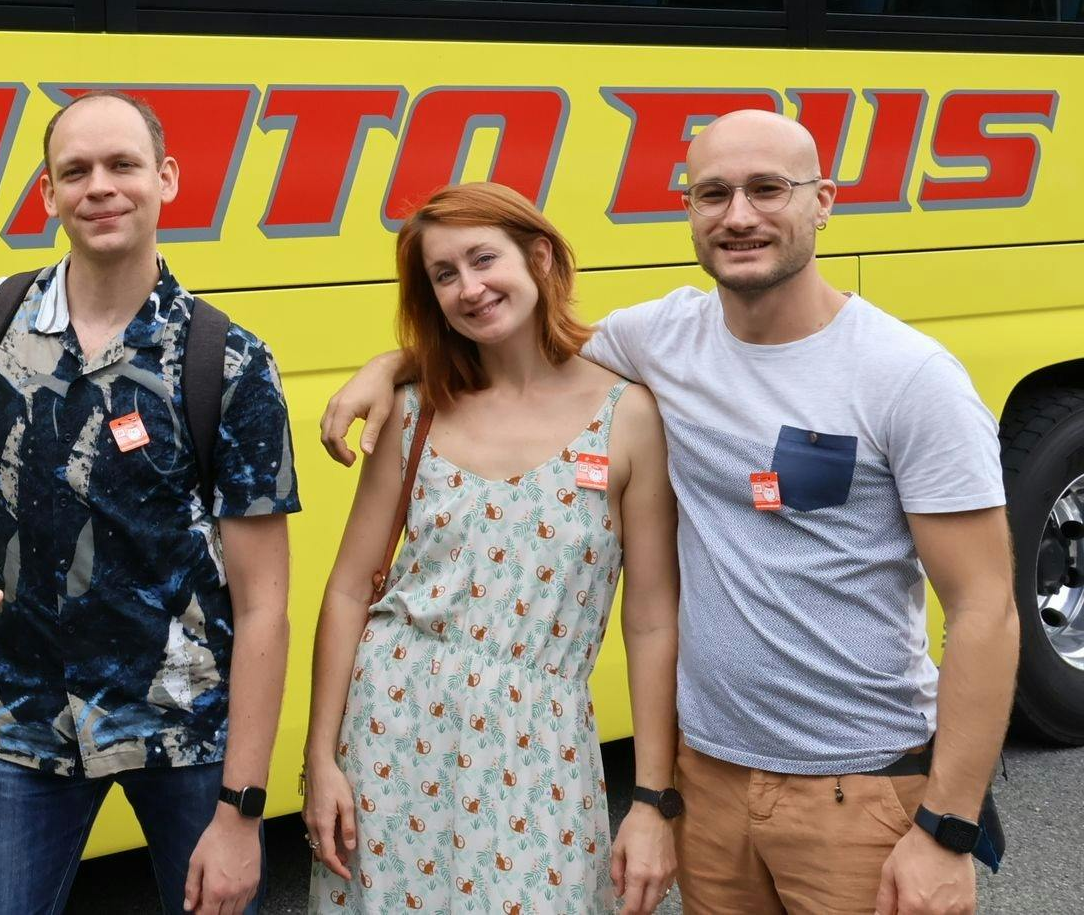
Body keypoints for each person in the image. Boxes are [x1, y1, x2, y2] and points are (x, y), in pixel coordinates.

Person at [320, 111, 1019, 915]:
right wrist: (391, 364)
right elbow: (515, 337)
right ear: (689, 209)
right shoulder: (660, 341)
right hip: (712, 783)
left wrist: (948, 826)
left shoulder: (907, 377)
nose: (739, 215)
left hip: (857, 788)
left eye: (768, 189)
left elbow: (985, 609)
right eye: (713, 193)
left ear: (823, 201)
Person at [0, 90, 299, 915]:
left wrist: (242, 811)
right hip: (14, 724)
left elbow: (265, 604)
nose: (100, 186)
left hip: (187, 732)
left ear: (165, 178)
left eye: (123, 164)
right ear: (47, 195)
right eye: (76, 170)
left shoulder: (227, 358)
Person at [301, 182, 676, 914]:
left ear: (538, 255)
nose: (469, 288)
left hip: (541, 746)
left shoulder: (629, 416)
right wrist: (321, 758)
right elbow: (349, 589)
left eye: (483, 259)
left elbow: (654, 620)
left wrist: (654, 796)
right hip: (390, 732)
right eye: (445, 274)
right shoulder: (414, 407)